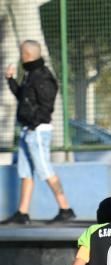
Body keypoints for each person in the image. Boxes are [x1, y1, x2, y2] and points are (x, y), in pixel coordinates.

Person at [2, 40, 74, 225]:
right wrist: (10, 80)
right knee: (26, 172)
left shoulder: (43, 76)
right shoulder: (30, 74)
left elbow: (46, 105)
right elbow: (24, 98)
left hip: (38, 132)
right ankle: (22, 212)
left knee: (45, 169)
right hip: (28, 131)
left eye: (21, 53)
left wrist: (34, 124)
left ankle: (65, 208)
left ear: (27, 55)